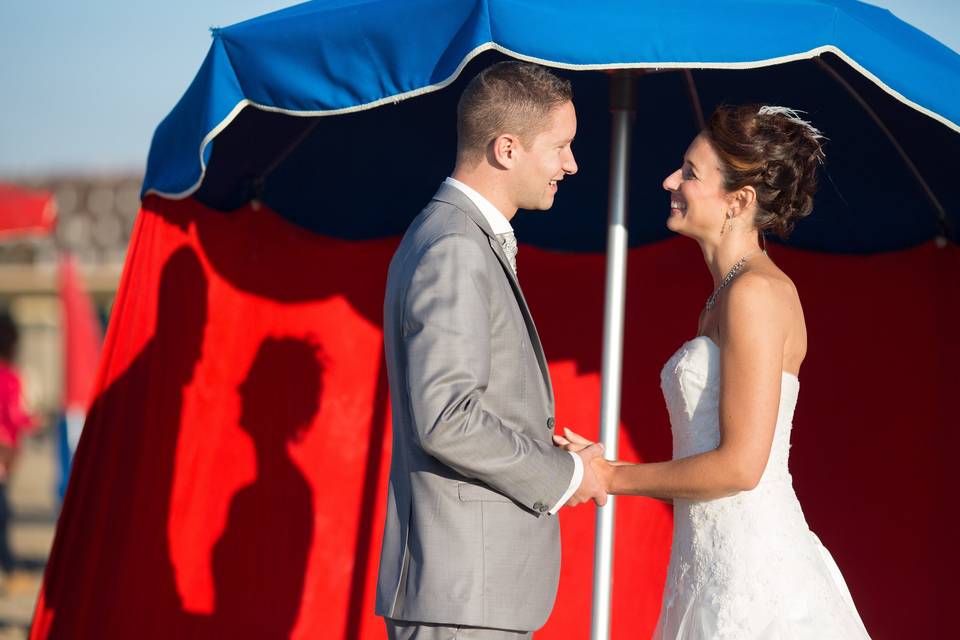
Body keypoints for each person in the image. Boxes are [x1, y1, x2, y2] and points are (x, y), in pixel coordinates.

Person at [557, 105, 871, 638]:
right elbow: (708, 468)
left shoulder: (755, 294)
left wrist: (612, 478)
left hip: (756, 579)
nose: (670, 181)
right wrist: (606, 467)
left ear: (738, 201)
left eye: (690, 173)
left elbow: (741, 468)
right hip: (705, 568)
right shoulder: (723, 296)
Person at [376, 61, 607, 639]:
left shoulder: (453, 237)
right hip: (463, 599)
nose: (571, 164)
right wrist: (566, 475)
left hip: (472, 595)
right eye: (561, 146)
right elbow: (447, 419)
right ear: (507, 148)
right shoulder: (454, 246)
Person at [0, 310, 35, 593]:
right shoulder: (10, 377)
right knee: (2, 512)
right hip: (3, 453)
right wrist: (33, 421)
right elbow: (15, 416)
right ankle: (10, 569)